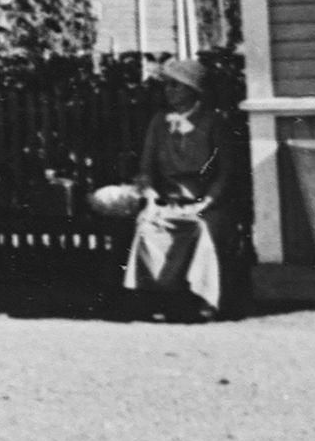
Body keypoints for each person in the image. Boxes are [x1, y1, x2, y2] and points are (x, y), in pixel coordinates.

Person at [88, 56, 226, 320]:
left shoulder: (212, 123)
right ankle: (152, 297)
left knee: (199, 229)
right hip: (167, 201)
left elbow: (224, 173)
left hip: (204, 202)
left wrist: (206, 202)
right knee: (146, 226)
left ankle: (200, 299)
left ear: (192, 89)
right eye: (167, 85)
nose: (169, 91)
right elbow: (147, 171)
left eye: (176, 85)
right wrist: (151, 198)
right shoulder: (159, 122)